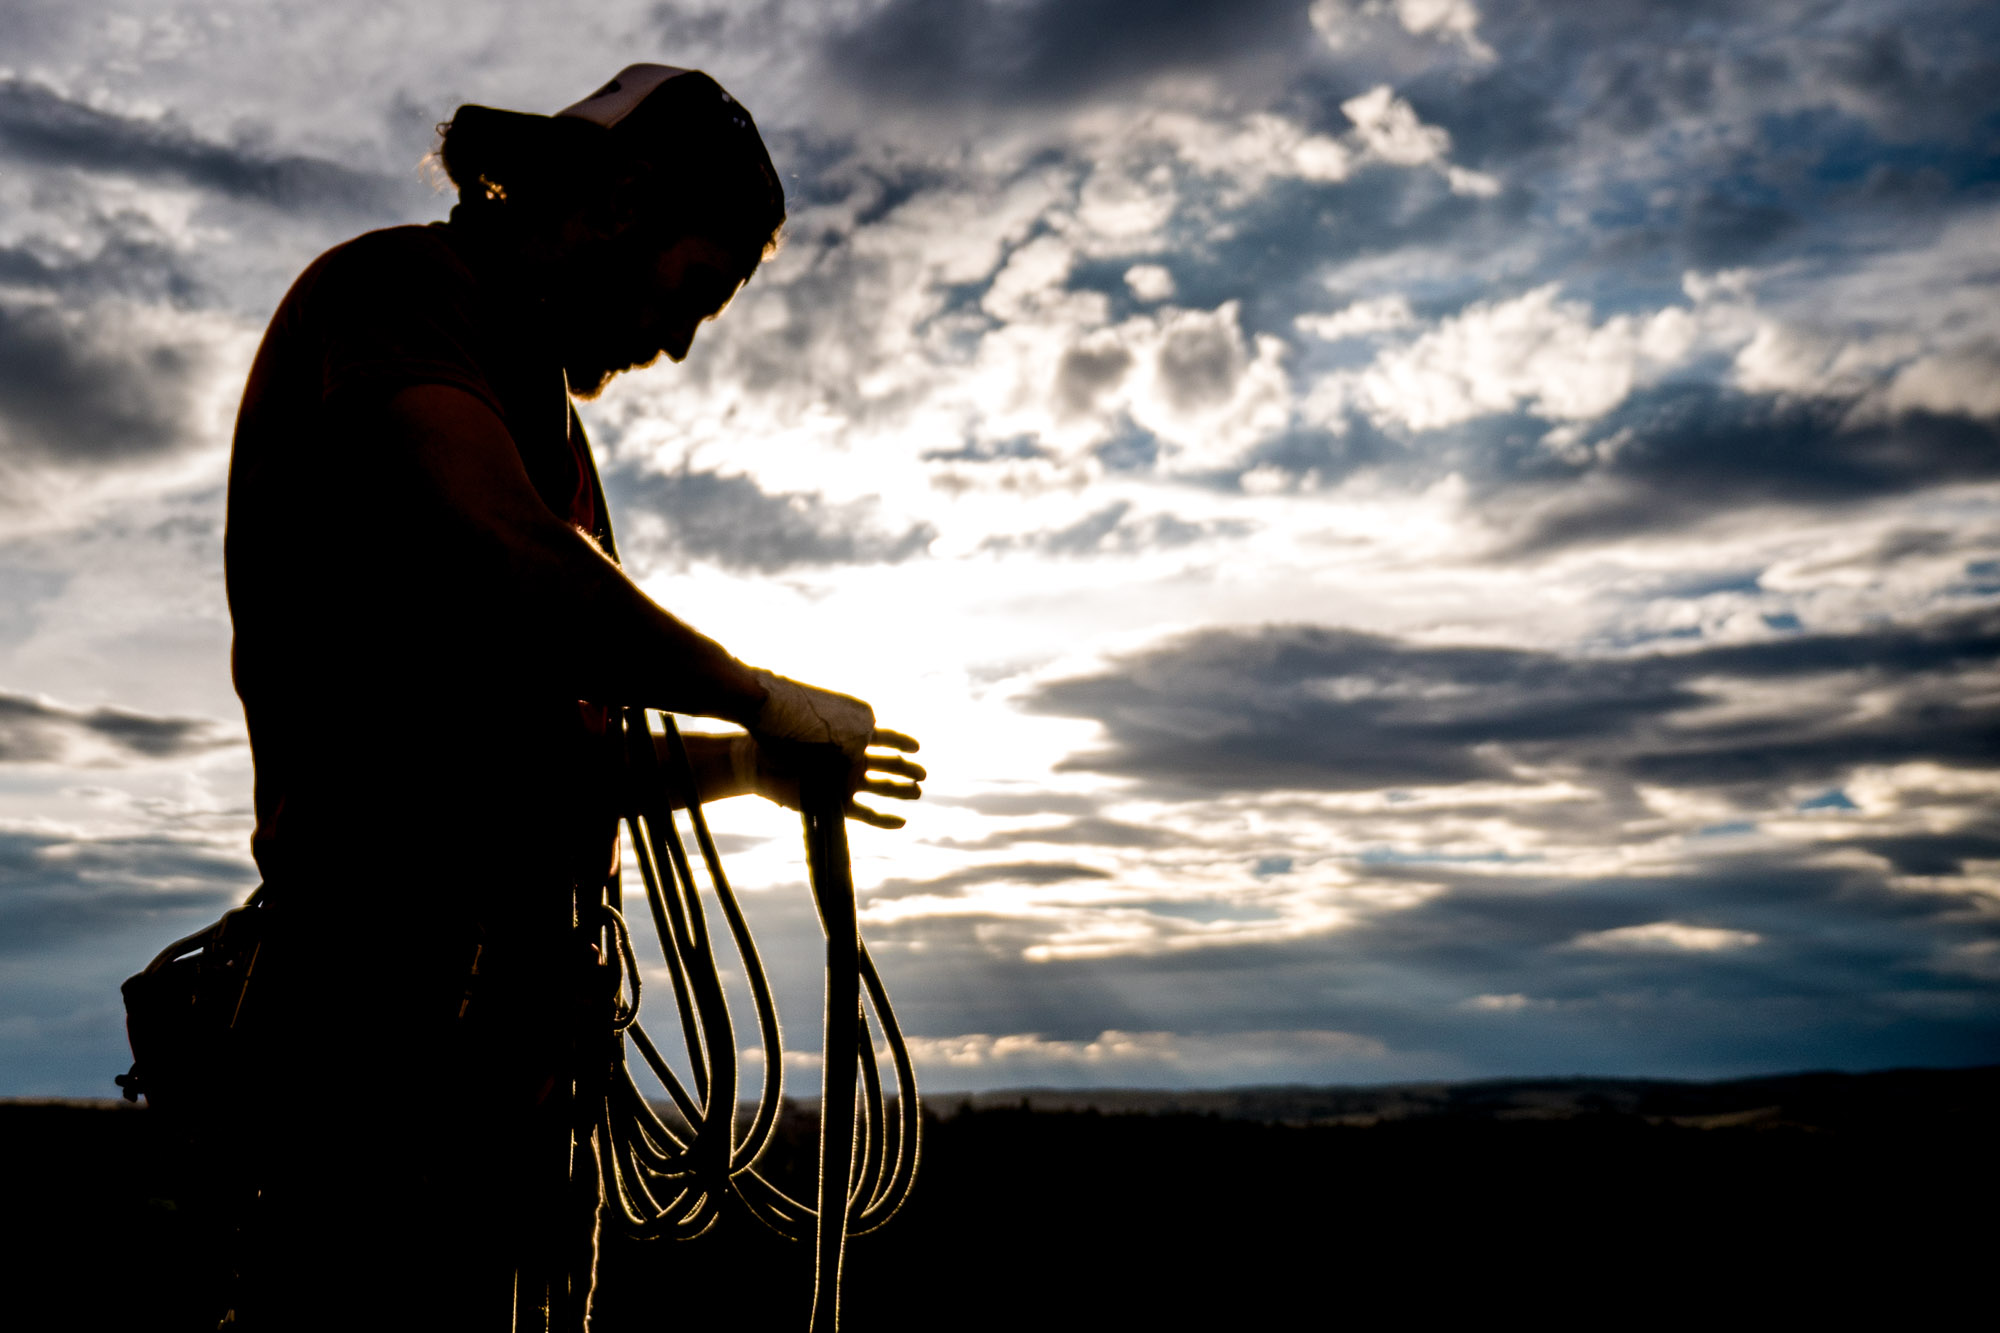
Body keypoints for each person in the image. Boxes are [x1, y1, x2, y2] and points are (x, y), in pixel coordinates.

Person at [221, 64, 922, 1330]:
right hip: (382, 1020)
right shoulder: (400, 297)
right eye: (693, 291)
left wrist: (741, 766)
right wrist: (753, 695)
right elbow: (498, 560)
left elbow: (539, 757)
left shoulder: (530, 410)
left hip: (513, 1053)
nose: (679, 342)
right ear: (620, 202)